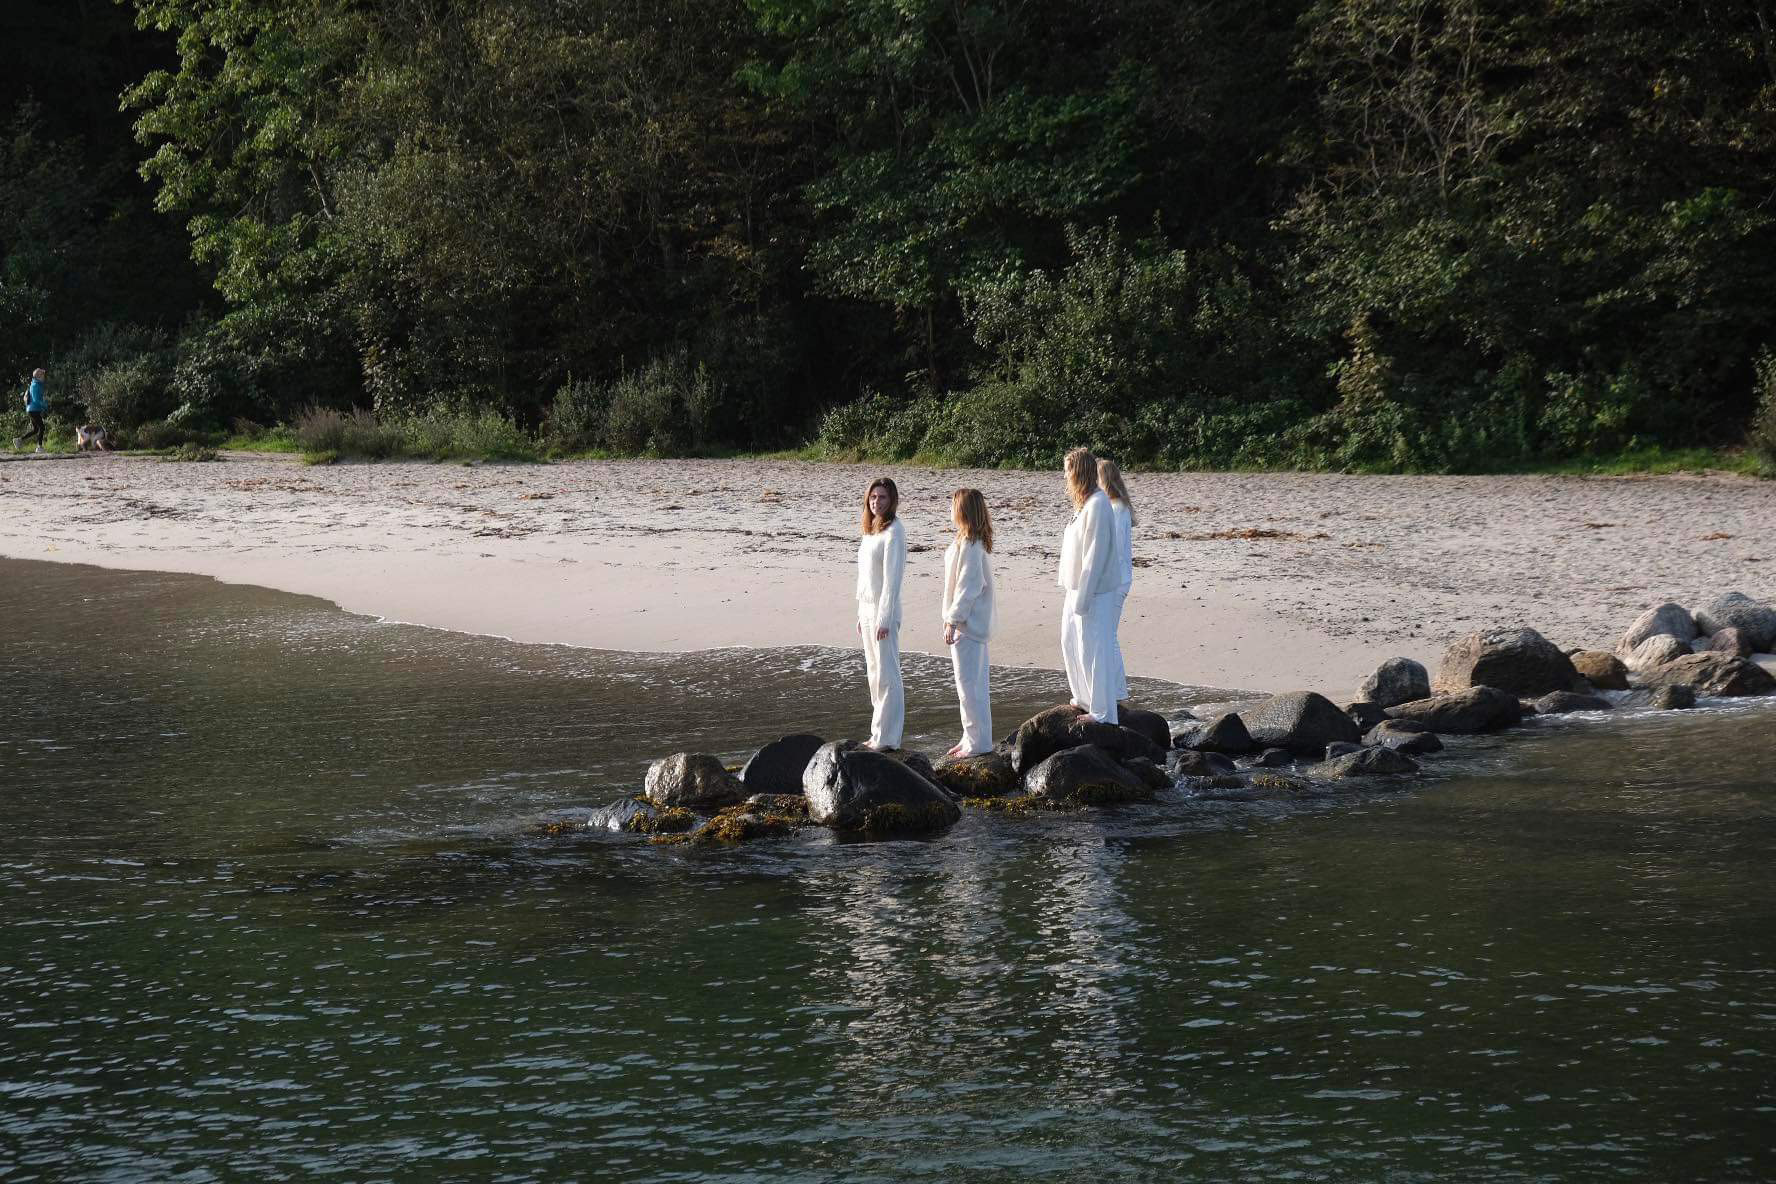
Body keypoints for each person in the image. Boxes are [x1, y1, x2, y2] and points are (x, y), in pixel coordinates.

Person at [1056, 446, 1119, 724]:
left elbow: (1094, 555)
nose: (1065, 476)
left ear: (1078, 472)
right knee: (1070, 641)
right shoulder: (1083, 504)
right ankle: (1083, 697)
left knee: (1094, 648)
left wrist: (1084, 596)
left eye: (1067, 470)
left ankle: (1103, 711)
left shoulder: (1098, 504)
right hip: (1075, 586)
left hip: (1095, 591)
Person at [942, 488, 997, 758]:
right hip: (966, 625)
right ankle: (970, 735)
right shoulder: (965, 540)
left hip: (969, 627)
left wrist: (953, 619)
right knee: (967, 686)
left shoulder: (972, 545)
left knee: (971, 687)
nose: (950, 509)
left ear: (963, 510)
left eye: (954, 505)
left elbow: (968, 587)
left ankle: (979, 742)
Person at [855, 476, 906, 750]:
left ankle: (888, 737)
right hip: (867, 609)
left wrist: (884, 618)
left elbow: (892, 581)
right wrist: (860, 613)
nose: (876, 502)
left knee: (888, 673)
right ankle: (877, 732)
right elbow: (865, 577)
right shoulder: (870, 531)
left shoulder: (894, 532)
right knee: (874, 673)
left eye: (882, 497)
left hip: (883, 611)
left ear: (892, 500)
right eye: (873, 497)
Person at [1097, 456, 1136, 702]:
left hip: (1116, 581)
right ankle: (1114, 689)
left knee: (1108, 635)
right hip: (1117, 579)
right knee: (1107, 635)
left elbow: (1116, 549)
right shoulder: (1117, 506)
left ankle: (1118, 691)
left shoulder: (1116, 508)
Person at [15, 368, 47, 453]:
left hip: (32, 409)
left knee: (36, 429)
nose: (44, 377)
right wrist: (44, 405)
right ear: (38, 376)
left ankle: (19, 440)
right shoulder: (35, 385)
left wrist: (43, 404)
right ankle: (39, 447)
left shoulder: (36, 384)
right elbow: (36, 400)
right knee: (42, 427)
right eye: (43, 375)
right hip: (33, 410)